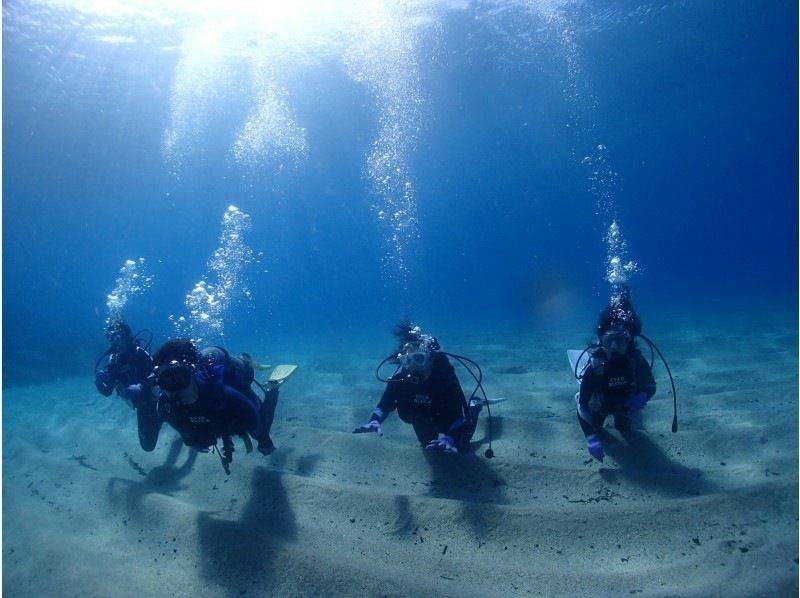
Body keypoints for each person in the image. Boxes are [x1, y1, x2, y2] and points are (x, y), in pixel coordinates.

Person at [152, 339, 279, 473]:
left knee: (259, 430)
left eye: (181, 378)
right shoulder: (165, 405)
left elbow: (255, 419)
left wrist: (264, 440)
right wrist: (193, 442)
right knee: (201, 441)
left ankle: (264, 382)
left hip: (228, 392)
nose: (177, 389)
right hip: (213, 415)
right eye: (166, 382)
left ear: (192, 372)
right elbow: (183, 430)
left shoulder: (224, 392)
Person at [352, 322, 483, 453]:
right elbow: (384, 405)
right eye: (408, 360)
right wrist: (375, 421)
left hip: (447, 422)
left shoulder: (444, 381)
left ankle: (474, 406)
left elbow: (458, 418)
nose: (413, 367)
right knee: (430, 450)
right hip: (422, 422)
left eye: (419, 359)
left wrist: (449, 439)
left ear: (430, 359)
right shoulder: (400, 381)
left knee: (462, 446)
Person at [577, 288, 656, 462]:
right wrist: (590, 438)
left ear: (629, 340)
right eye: (609, 340)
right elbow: (582, 405)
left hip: (624, 405)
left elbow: (651, 386)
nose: (614, 346)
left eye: (620, 340)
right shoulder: (595, 366)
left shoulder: (635, 360)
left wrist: (644, 396)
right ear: (601, 341)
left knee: (624, 429)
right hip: (601, 405)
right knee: (596, 428)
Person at [94, 319, 161, 451]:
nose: (116, 342)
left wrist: (141, 386)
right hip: (141, 405)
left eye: (120, 337)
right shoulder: (114, 360)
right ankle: (160, 421)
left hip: (154, 399)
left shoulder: (139, 353)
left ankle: (166, 416)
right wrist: (99, 382)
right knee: (147, 446)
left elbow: (157, 374)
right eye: (112, 338)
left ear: (128, 337)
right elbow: (107, 392)